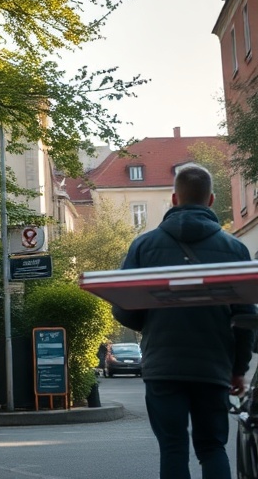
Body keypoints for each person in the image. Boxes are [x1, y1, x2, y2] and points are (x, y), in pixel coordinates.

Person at [112, 163, 257, 479]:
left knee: (173, 448)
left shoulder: (144, 246)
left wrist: (152, 322)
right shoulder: (234, 249)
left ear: (174, 199)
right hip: (213, 366)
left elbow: (124, 307)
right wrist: (238, 369)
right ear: (211, 200)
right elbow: (246, 317)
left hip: (163, 366)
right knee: (212, 448)